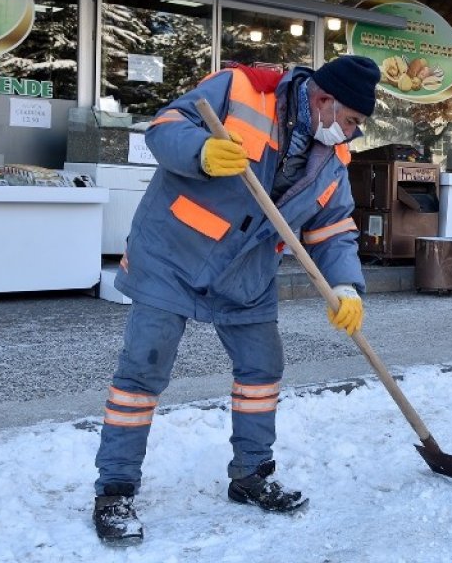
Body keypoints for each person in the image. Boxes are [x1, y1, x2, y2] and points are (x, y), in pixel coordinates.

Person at [91, 56, 380, 545]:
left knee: (262, 369)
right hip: (173, 254)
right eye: (351, 121)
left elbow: (334, 230)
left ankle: (251, 476)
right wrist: (200, 151)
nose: (351, 134)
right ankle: (114, 490)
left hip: (246, 274)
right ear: (326, 101)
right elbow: (163, 128)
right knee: (143, 369)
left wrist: (346, 286)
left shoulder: (332, 162)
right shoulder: (241, 89)